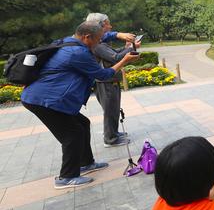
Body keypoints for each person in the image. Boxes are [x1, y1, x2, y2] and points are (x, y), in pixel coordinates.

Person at [21, 22, 139, 189]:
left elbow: (100, 35)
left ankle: (86, 163)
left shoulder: (69, 41)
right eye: (98, 40)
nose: (99, 43)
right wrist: (125, 61)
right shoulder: (77, 53)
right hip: (44, 101)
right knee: (72, 135)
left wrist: (118, 34)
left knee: (83, 124)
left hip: (44, 97)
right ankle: (66, 177)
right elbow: (103, 74)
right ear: (87, 37)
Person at [86, 13, 139, 147]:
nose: (110, 26)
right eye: (108, 24)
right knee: (110, 111)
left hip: (109, 81)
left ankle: (113, 133)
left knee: (114, 110)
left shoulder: (100, 42)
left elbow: (113, 53)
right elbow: (115, 58)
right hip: (105, 83)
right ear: (100, 27)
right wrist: (129, 50)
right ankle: (110, 139)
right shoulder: (97, 45)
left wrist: (129, 47)